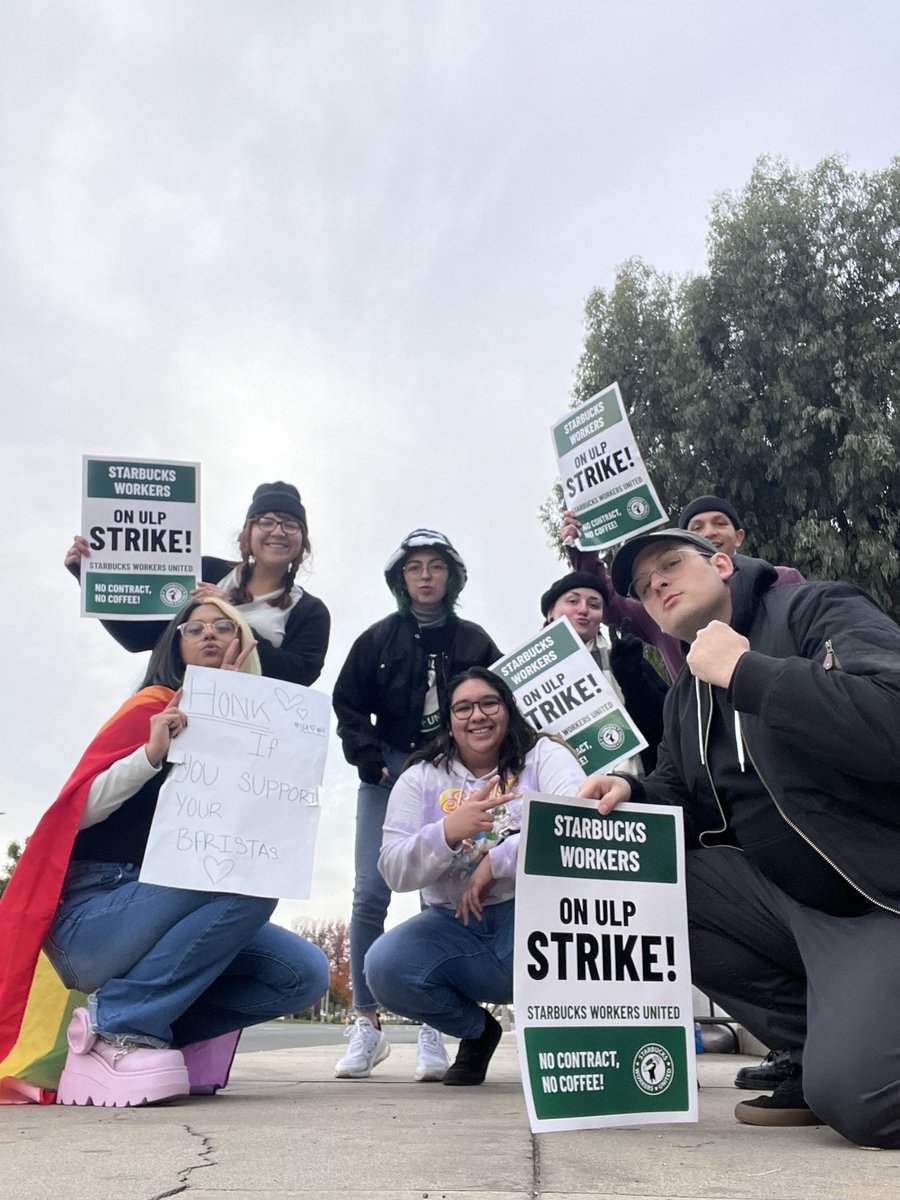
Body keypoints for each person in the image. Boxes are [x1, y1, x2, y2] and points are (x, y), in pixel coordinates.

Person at [577, 527, 900, 1148]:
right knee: (643, 883)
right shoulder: (684, 698)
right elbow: (679, 792)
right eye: (645, 588)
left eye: (670, 565)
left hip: (879, 896)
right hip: (791, 902)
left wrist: (748, 673)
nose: (658, 584)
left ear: (722, 564)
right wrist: (632, 795)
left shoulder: (815, 610)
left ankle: (850, 1056)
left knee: (860, 1101)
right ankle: (811, 1047)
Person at [0, 598, 329, 1107]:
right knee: (241, 875)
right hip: (91, 919)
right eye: (194, 628)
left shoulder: (260, 743)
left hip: (176, 905)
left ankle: (137, 1029)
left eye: (225, 627)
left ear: (245, 646)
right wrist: (150, 755)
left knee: (303, 973)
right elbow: (73, 813)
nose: (211, 635)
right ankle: (121, 1027)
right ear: (174, 644)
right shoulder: (151, 706)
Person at [332, 530, 502, 1081]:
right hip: (388, 770)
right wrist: (370, 761)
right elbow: (348, 704)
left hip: (452, 773)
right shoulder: (376, 639)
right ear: (400, 579)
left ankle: (435, 1023)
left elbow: (506, 696)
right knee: (369, 893)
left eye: (435, 567)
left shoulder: (475, 638)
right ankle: (366, 1024)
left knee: (442, 888)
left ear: (451, 576)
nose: (425, 576)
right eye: (414, 568)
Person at [365, 668, 585, 1085]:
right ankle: (477, 1032)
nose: (477, 716)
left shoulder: (545, 756)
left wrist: (497, 861)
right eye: (462, 708)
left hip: (539, 915)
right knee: (384, 966)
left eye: (489, 703)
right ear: (448, 721)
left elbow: (575, 822)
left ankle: (580, 1040)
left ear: (507, 709)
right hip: (455, 925)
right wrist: (448, 831)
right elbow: (393, 869)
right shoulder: (420, 777)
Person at [65, 481, 330, 686]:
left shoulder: (310, 612)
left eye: (290, 524)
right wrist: (90, 577)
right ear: (248, 533)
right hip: (177, 714)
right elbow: (138, 638)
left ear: (302, 541)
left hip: (251, 733)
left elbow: (297, 677)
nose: (278, 531)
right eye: (266, 521)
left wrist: (231, 616)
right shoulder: (204, 570)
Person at [561, 494, 804, 680]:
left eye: (719, 523)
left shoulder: (780, 581)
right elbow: (608, 600)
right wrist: (583, 544)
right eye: (697, 528)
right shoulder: (659, 603)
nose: (709, 532)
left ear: (738, 536)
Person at [540, 570, 668, 771]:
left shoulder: (624, 657)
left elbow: (667, 728)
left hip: (636, 786)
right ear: (550, 613)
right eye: (573, 601)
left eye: (594, 605)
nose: (583, 610)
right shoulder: (523, 674)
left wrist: (633, 682)